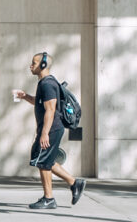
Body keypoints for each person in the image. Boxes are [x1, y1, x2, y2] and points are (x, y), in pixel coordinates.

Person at [12, 52, 85, 210]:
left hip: (51, 129)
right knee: (47, 161)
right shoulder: (44, 83)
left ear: (43, 65)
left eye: (34, 63)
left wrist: (44, 133)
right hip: (50, 129)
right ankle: (74, 183)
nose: (31, 65)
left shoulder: (47, 84)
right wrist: (25, 96)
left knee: (43, 162)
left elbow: (50, 110)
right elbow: (40, 103)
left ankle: (49, 198)